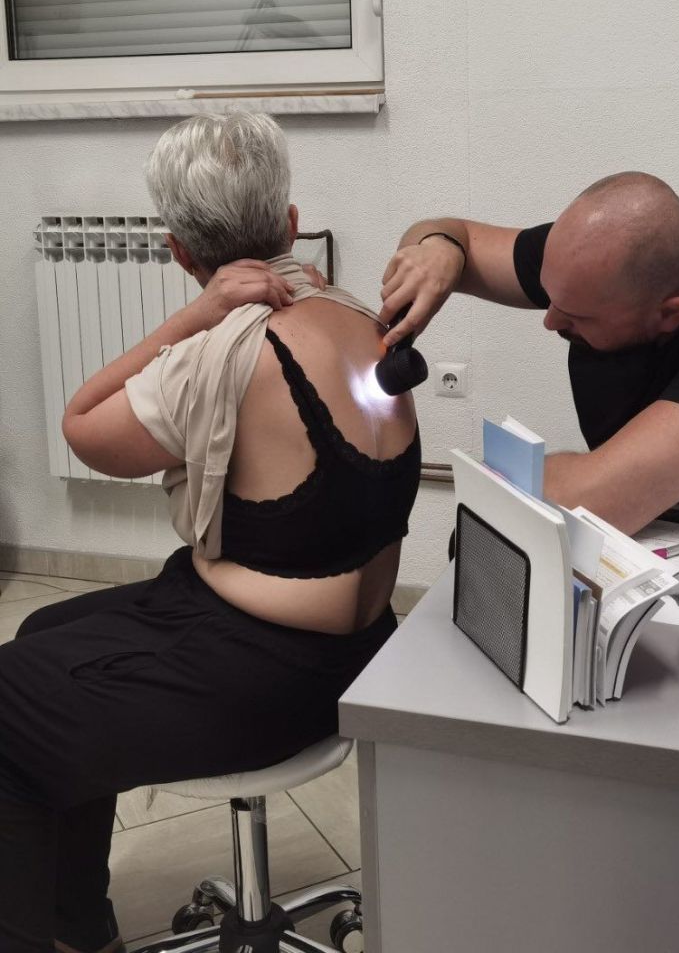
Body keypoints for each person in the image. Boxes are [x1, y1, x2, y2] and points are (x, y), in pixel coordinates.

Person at [0, 114, 419, 953]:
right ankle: (78, 924)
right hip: (360, 642)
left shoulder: (223, 349)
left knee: (9, 708)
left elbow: (83, 426)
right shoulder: (360, 317)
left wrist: (193, 316)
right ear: (290, 223)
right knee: (44, 628)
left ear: (177, 250)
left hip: (269, 672)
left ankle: (47, 931)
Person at [379, 172, 679, 536]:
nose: (551, 320)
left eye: (577, 316)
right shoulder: (595, 261)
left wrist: (481, 486)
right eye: (550, 298)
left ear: (670, 314)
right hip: (670, 537)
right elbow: (457, 236)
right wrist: (438, 249)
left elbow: (594, 497)